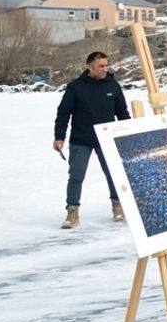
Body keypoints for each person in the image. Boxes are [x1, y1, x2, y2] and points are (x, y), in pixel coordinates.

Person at [53, 51, 131, 229]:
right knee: (76, 176)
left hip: (107, 138)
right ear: (89, 67)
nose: (105, 69)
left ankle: (117, 205)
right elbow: (63, 113)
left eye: (106, 65)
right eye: (100, 66)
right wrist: (59, 137)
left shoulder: (114, 86)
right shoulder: (75, 87)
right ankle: (72, 211)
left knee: (113, 173)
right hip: (81, 139)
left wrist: (127, 134)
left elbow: (122, 113)